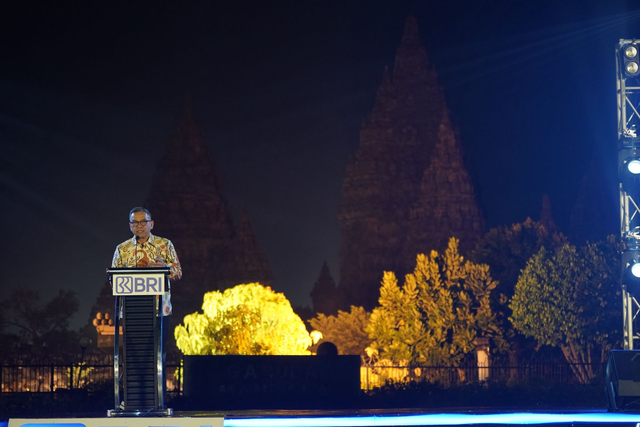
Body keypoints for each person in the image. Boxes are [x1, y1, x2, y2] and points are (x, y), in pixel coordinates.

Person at [111, 207, 182, 316]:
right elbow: (113, 280)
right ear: (130, 226)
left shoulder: (165, 244)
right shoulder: (121, 249)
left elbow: (178, 273)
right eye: (135, 222)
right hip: (130, 309)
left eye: (143, 222)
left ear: (151, 224)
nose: (139, 225)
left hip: (159, 310)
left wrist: (165, 268)